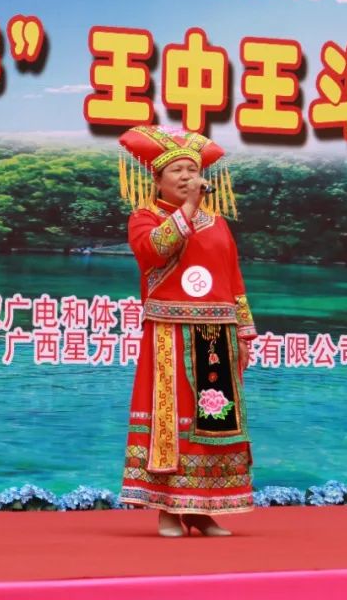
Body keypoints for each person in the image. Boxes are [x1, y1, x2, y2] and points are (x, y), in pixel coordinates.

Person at [116, 126, 256, 538]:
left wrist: (244, 333)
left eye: (192, 170)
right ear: (157, 179)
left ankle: (201, 509)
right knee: (170, 424)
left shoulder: (219, 224)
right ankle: (166, 508)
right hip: (169, 334)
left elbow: (233, 279)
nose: (186, 176)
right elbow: (155, 250)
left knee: (213, 423)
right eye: (176, 170)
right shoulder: (145, 218)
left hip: (216, 335)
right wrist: (189, 208)